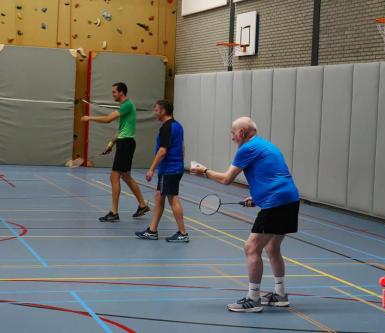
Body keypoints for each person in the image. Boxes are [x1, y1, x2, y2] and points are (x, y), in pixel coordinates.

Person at [191, 117, 300, 313]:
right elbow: (275, 175)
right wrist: (257, 196)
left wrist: (204, 171)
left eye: (233, 133)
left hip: (276, 203)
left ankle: (253, 298)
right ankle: (280, 294)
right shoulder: (266, 145)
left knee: (251, 248)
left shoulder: (247, 149)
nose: (232, 137)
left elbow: (226, 179)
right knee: (272, 247)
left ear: (242, 132)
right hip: (290, 199)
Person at [81, 82, 150, 222]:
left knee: (114, 176)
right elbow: (121, 129)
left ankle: (114, 212)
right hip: (124, 143)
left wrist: (89, 118)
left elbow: (107, 120)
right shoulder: (125, 107)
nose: (112, 94)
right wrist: (111, 144)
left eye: (114, 92)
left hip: (126, 144)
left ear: (121, 93)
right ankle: (142, 205)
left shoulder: (127, 105)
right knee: (126, 177)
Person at [135, 100, 189, 242]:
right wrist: (180, 162)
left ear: (163, 111)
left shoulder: (166, 127)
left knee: (174, 200)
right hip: (175, 167)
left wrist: (151, 169)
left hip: (169, 170)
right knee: (159, 198)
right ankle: (152, 230)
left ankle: (183, 233)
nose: (155, 112)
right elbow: (182, 146)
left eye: (156, 110)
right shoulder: (178, 125)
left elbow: (162, 150)